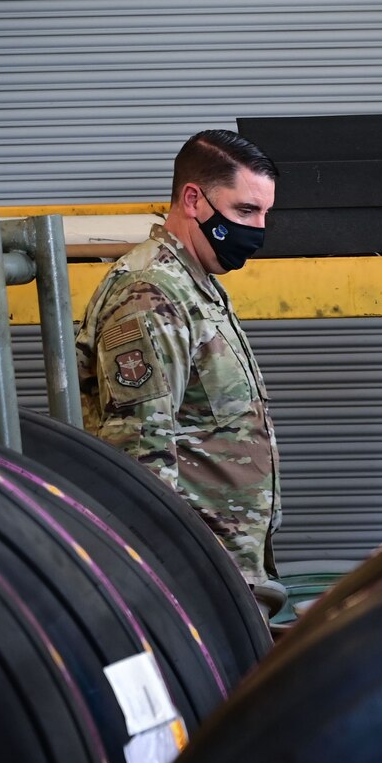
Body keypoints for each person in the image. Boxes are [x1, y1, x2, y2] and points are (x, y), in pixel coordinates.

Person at [77, 129, 284, 617]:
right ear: (194, 199)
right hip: (191, 584)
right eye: (244, 211)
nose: (257, 229)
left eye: (264, 214)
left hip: (228, 571)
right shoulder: (151, 296)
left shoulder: (196, 284)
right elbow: (140, 461)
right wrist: (167, 593)